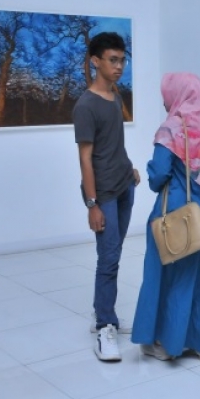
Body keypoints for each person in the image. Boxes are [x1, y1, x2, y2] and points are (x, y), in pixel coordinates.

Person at [131, 72, 200, 363]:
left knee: (174, 274)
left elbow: (159, 174)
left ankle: (167, 343)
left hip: (179, 212)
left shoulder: (172, 128)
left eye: (166, 94)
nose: (164, 100)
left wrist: (149, 174)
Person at [73, 32, 140, 362]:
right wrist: (92, 204)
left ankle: (104, 311)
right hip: (104, 195)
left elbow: (114, 144)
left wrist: (131, 169)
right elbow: (86, 159)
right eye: (113, 60)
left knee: (114, 252)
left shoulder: (114, 96)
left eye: (122, 60)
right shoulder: (85, 105)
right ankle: (104, 326)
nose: (119, 66)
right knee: (109, 258)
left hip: (125, 184)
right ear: (95, 61)